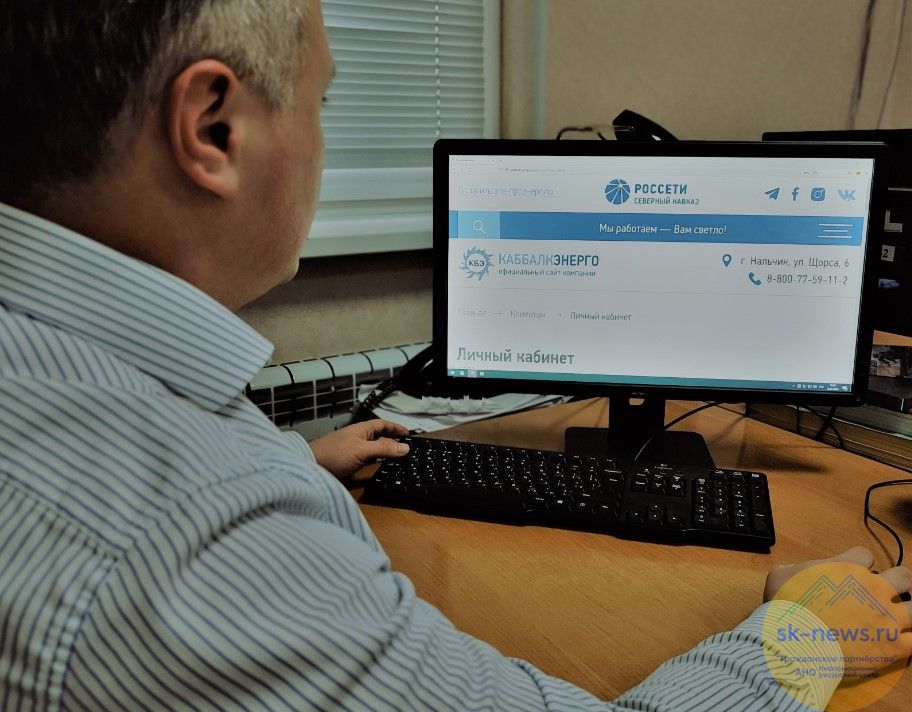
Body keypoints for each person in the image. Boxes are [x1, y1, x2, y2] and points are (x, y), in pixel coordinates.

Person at [0, 2, 909, 710]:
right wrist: (802, 637)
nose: (320, 140)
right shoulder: (195, 543)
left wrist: (287, 461)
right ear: (212, 128)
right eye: (319, 102)